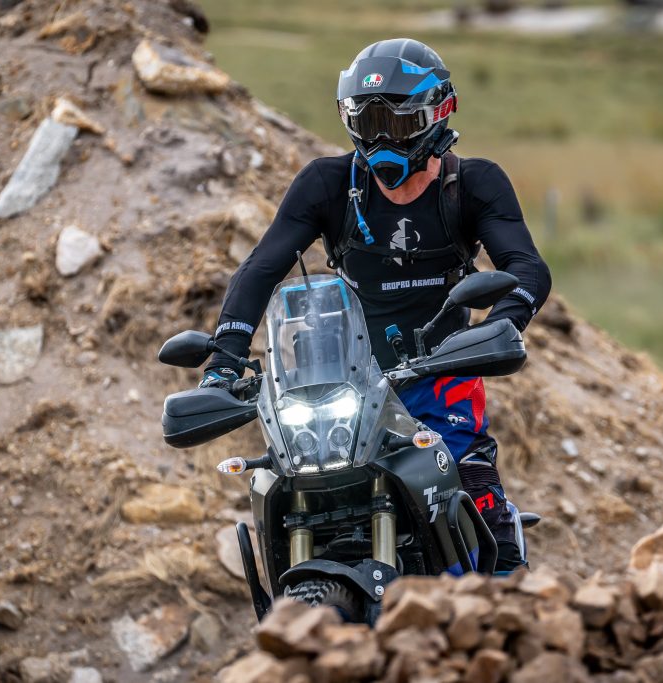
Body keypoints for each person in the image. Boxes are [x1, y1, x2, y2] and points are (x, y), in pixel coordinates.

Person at [200, 38, 551, 572]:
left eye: (398, 124)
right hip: (346, 383)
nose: (382, 139)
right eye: (367, 124)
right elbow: (261, 268)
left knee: (485, 529)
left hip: (442, 375)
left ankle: (504, 611)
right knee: (289, 491)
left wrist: (499, 328)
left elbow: (526, 269)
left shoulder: (475, 183)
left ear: (439, 113)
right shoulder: (326, 183)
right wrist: (224, 357)